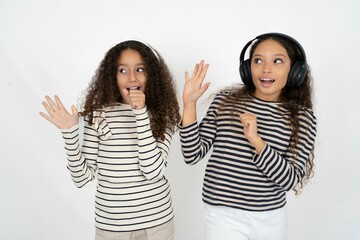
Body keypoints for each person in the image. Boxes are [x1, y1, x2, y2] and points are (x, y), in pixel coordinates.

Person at [180, 33, 317, 240]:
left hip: (269, 218)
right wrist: (189, 105)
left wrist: (257, 141)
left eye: (277, 61)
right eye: (258, 60)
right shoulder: (225, 101)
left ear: (295, 71)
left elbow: (289, 180)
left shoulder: (303, 117)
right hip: (221, 214)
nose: (266, 69)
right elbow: (192, 155)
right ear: (247, 68)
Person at [39, 40, 181, 240]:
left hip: (157, 224)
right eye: (122, 71)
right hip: (111, 227)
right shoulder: (98, 115)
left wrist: (140, 114)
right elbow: (82, 179)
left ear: (152, 75)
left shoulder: (163, 115)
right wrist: (70, 133)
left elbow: (152, 171)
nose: (132, 77)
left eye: (140, 69)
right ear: (112, 76)